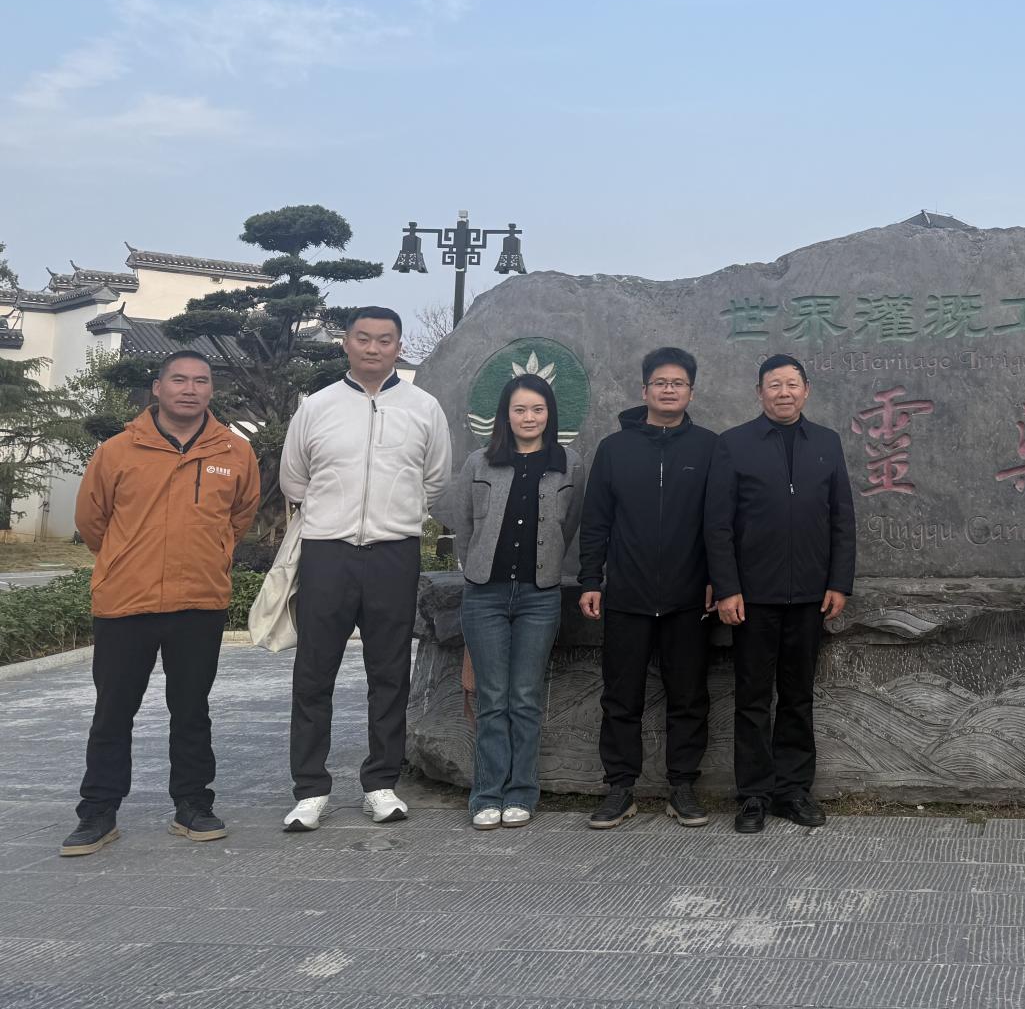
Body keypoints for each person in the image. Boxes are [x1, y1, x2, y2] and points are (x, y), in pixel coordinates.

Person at [61, 350, 261, 856]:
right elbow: (92, 521)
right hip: (126, 601)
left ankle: (193, 805)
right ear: (157, 387)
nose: (190, 389)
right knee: (113, 711)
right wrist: (127, 558)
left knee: (191, 710)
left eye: (201, 381)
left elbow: (240, 517)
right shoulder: (117, 451)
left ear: (211, 390)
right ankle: (98, 812)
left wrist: (212, 552)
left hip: (199, 601)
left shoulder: (236, 452)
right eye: (179, 380)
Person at [279, 307, 452, 832]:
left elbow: (435, 479)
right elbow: (294, 480)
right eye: (363, 338)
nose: (373, 348)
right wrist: (334, 517)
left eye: (384, 339)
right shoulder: (317, 406)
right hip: (327, 552)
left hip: (393, 553)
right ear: (346, 344)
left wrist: (398, 515)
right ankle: (311, 789)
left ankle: (381, 783)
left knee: (389, 672)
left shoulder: (423, 408)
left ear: (399, 346)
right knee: (314, 673)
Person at [706, 353, 855, 834]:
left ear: (806, 390)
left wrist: (839, 582)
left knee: (797, 695)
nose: (784, 392)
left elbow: (842, 518)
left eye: (792, 384)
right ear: (759, 392)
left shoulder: (827, 443)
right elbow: (718, 524)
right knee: (752, 697)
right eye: (774, 384)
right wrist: (727, 588)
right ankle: (753, 794)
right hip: (752, 597)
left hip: (811, 595)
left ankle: (793, 790)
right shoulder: (734, 444)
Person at [577, 347, 719, 831]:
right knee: (621, 697)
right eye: (661, 382)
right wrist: (591, 579)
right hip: (627, 594)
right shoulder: (614, 449)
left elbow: (719, 522)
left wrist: (716, 579)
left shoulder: (708, 448)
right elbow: (596, 521)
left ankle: (683, 787)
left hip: (689, 596)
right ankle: (620, 788)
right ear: (644, 390)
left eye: (678, 383)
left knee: (689, 696)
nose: (669, 389)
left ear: (691, 392)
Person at [439, 373, 582, 829]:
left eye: (538, 409)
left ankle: (521, 791)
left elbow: (569, 524)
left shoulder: (568, 463)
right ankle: (486, 794)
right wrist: (477, 567)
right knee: (491, 697)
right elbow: (464, 524)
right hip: (485, 593)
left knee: (524, 696)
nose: (529, 418)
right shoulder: (480, 462)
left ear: (550, 414)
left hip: (540, 595)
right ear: (505, 415)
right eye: (520, 409)